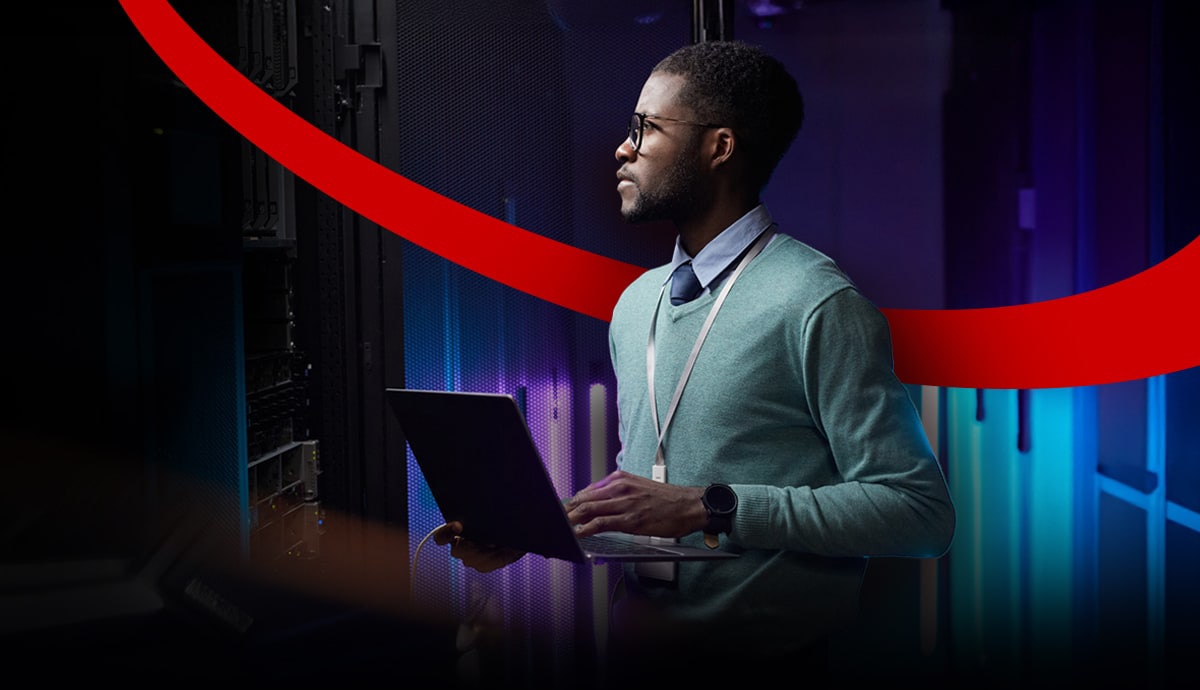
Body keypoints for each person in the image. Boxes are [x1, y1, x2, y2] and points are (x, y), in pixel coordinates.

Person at [435, 39, 955, 686]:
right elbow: (655, 495)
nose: (623, 148)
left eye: (645, 128)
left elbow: (918, 514)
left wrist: (712, 508)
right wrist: (533, 531)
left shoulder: (819, 304)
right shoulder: (637, 302)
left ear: (720, 147)